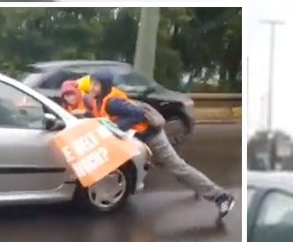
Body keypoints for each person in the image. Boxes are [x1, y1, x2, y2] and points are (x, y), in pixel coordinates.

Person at [88, 69, 236, 220]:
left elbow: (137, 114)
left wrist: (117, 127)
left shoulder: (113, 102)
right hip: (137, 140)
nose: (92, 87)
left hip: (151, 137)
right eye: (91, 83)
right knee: (171, 166)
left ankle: (222, 197)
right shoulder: (99, 99)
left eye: (96, 84)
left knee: (176, 167)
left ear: (105, 85)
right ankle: (194, 181)